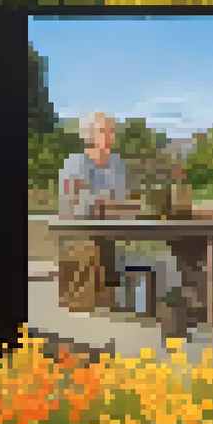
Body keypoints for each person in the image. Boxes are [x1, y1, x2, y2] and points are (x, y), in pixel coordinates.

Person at [55, 112, 129, 312]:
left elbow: (121, 200)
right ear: (88, 135)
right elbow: (75, 201)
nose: (109, 135)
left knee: (114, 244)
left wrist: (109, 202)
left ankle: (111, 301)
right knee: (96, 245)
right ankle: (85, 302)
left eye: (111, 130)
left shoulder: (117, 164)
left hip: (110, 229)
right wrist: (105, 202)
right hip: (80, 230)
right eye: (103, 131)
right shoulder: (75, 162)